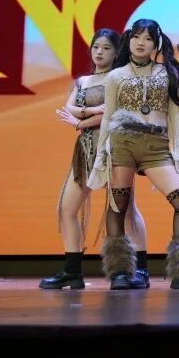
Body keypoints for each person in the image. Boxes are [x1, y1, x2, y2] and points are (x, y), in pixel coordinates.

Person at [87, 18, 179, 289]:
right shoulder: (116, 76)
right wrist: (101, 156)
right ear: (129, 40)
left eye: (148, 38)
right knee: (118, 205)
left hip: (156, 146)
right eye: (136, 37)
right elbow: (108, 116)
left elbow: (175, 118)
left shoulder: (167, 73)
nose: (141, 43)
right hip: (122, 143)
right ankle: (120, 273)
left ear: (156, 43)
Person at [40, 29, 149, 290]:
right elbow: (69, 108)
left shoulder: (120, 77)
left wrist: (81, 121)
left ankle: (141, 270)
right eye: (96, 47)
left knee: (124, 211)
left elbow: (114, 113)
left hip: (114, 149)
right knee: (67, 209)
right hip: (85, 150)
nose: (99, 52)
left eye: (106, 48)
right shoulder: (82, 81)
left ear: (117, 52)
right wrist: (90, 111)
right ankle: (72, 272)